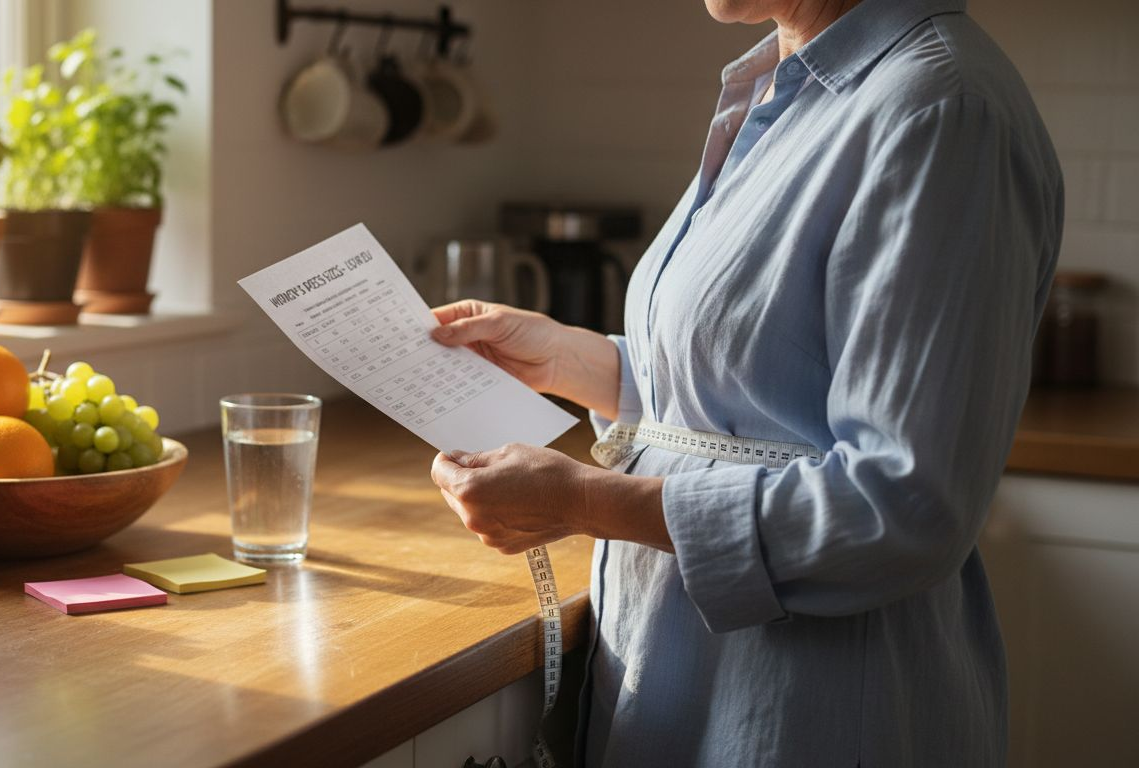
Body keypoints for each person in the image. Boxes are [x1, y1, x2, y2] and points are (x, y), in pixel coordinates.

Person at [428, 0, 1063, 765]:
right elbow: (759, 398)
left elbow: (900, 506)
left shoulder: (942, 110)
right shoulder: (786, 84)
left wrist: (583, 501)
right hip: (697, 674)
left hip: (814, 707)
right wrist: (573, 361)